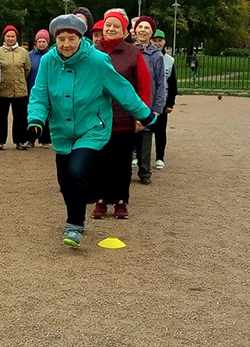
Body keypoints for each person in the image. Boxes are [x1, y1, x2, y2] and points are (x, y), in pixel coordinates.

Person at [27, 14, 157, 248]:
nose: (66, 44)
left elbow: (122, 89)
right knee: (64, 181)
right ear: (55, 39)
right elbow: (39, 93)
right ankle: (74, 214)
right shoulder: (48, 61)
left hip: (92, 127)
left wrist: (145, 114)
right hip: (62, 130)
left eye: (72, 39)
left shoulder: (97, 60)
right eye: (62, 39)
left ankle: (74, 225)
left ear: (80, 38)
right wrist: (36, 119)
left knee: (77, 172)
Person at [92, 11, 152, 220]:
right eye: (108, 25)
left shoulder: (133, 53)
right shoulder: (92, 51)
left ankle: (120, 200)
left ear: (125, 30)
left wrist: (140, 115)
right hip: (97, 119)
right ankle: (100, 199)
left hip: (124, 119)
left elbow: (143, 86)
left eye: (116, 26)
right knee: (99, 161)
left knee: (121, 163)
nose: (111, 29)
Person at [132, 15, 166, 185]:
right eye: (140, 27)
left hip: (148, 103)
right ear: (135, 30)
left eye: (147, 28)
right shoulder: (129, 50)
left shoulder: (156, 55)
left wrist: (157, 107)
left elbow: (161, 83)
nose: (143, 30)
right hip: (129, 101)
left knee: (145, 139)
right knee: (126, 138)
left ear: (151, 32)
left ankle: (145, 172)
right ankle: (124, 170)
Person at [0, 25, 31, 151]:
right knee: (1, 116)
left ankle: (20, 141)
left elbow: (27, 69)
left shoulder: (23, 52)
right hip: (3, 89)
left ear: (16, 37)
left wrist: (20, 80)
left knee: (20, 117)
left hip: (19, 89)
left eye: (12, 36)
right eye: (8, 36)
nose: (10, 38)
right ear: (4, 37)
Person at [150, 29, 178, 170]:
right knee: (142, 130)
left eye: (160, 41)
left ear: (164, 42)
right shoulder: (145, 56)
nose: (157, 43)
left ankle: (160, 157)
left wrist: (170, 103)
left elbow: (172, 83)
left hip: (162, 100)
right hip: (147, 99)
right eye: (154, 40)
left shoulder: (169, 60)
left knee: (160, 131)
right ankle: (138, 156)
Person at [26, 29, 51, 148]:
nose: (41, 43)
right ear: (36, 42)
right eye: (39, 41)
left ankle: (45, 140)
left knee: (46, 115)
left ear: (47, 42)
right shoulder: (29, 55)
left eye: (44, 41)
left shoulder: (52, 55)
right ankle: (30, 139)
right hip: (31, 88)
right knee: (32, 115)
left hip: (48, 89)